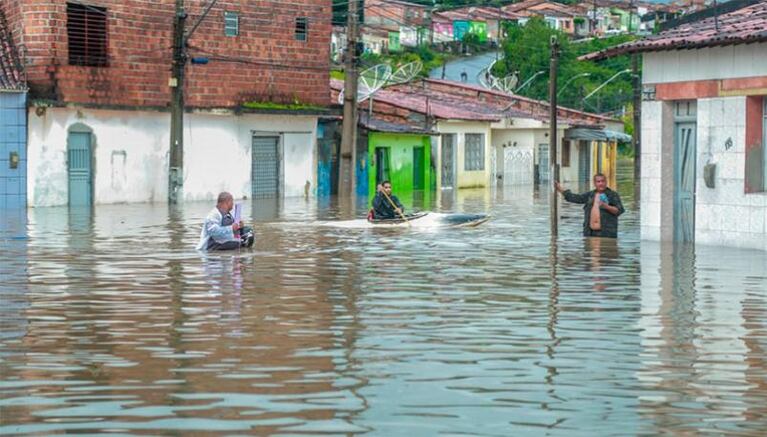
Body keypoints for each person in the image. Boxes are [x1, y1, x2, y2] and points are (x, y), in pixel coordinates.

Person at [555, 173, 625, 238]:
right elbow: (575, 198)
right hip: (589, 234)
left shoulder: (612, 195)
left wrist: (606, 206)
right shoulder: (590, 195)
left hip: (607, 235)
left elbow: (619, 210)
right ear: (594, 183)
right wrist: (560, 189)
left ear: (606, 182)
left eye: (603, 181)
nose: (601, 183)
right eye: (598, 181)